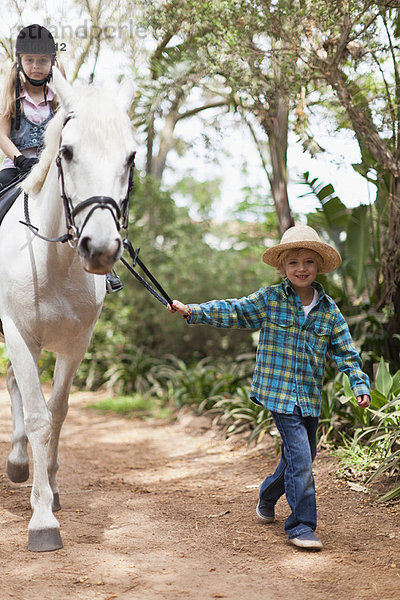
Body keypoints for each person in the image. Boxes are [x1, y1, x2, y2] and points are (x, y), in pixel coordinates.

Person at [167, 224, 370, 550]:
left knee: (300, 457)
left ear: (318, 265)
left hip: (309, 397)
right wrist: (193, 311)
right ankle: (301, 526)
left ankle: (267, 493)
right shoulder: (271, 299)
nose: (301, 269)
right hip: (278, 394)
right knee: (301, 459)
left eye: (307, 262)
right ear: (282, 267)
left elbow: (346, 352)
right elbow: (234, 310)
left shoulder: (330, 311)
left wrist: (358, 382)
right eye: (293, 263)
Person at [0, 24, 123, 292]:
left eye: (42, 61)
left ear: (52, 63)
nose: (36, 66)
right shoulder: (11, 97)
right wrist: (21, 160)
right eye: (30, 60)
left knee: (84, 199)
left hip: (51, 167)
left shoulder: (61, 98)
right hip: (17, 167)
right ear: (20, 63)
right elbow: (1, 135)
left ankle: (106, 268)